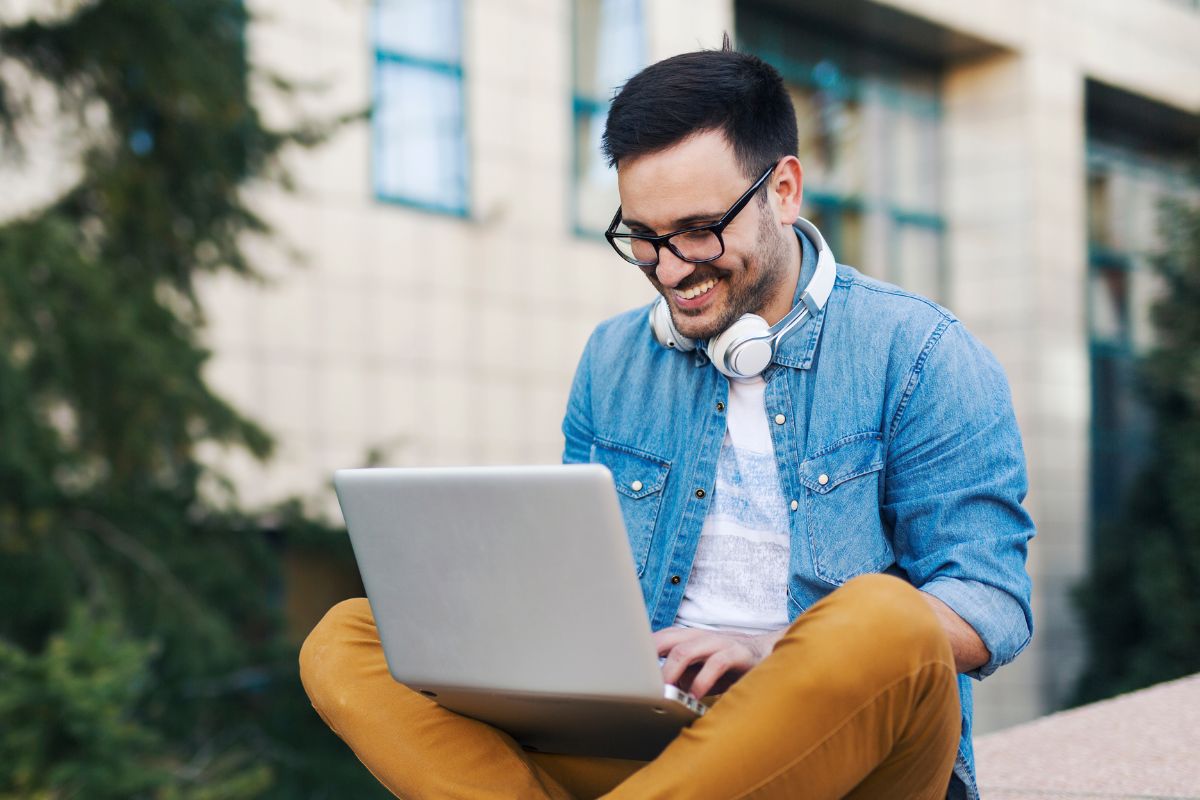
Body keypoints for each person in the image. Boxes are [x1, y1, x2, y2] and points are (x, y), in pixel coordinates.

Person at [300, 43, 1034, 800]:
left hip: (843, 751)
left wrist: (768, 647)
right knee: (347, 639)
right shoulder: (613, 359)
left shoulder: (923, 353)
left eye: (697, 230)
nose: (671, 268)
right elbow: (572, 581)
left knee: (886, 616)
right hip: (647, 744)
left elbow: (992, 605)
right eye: (643, 238)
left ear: (783, 190)